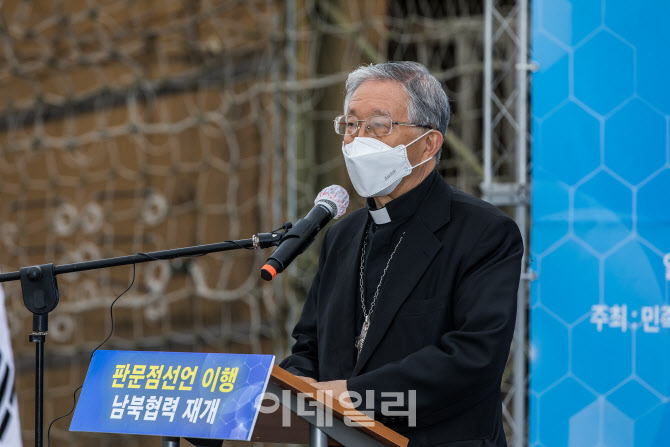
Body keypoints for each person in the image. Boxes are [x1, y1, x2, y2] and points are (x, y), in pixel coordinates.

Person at [279, 61, 523, 447]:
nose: (359, 139)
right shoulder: (342, 236)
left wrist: (353, 395)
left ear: (429, 143)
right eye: (352, 124)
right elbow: (308, 344)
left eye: (378, 125)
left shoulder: (483, 232)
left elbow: (474, 357)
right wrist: (300, 385)